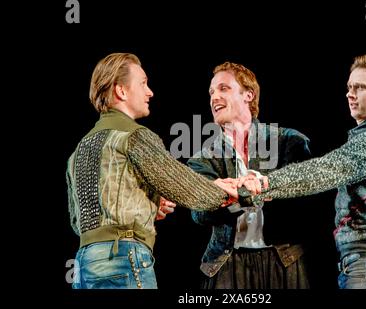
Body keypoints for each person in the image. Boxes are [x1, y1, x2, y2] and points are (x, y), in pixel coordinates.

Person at [66, 53, 240, 289]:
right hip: (124, 259)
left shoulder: (79, 149)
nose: (150, 92)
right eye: (143, 83)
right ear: (121, 91)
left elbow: (80, 221)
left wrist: (145, 204)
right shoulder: (135, 136)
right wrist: (225, 190)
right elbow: (184, 187)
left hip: (84, 265)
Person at [252, 54, 366, 289]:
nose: (350, 93)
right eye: (349, 87)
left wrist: (265, 183)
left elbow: (326, 170)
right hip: (364, 262)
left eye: (360, 87)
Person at [188, 62, 312, 289]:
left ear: (248, 95)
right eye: (211, 92)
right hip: (226, 264)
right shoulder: (202, 158)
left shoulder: (289, 141)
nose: (214, 97)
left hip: (284, 260)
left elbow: (304, 199)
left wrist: (233, 191)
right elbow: (199, 212)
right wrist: (246, 192)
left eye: (224, 88)